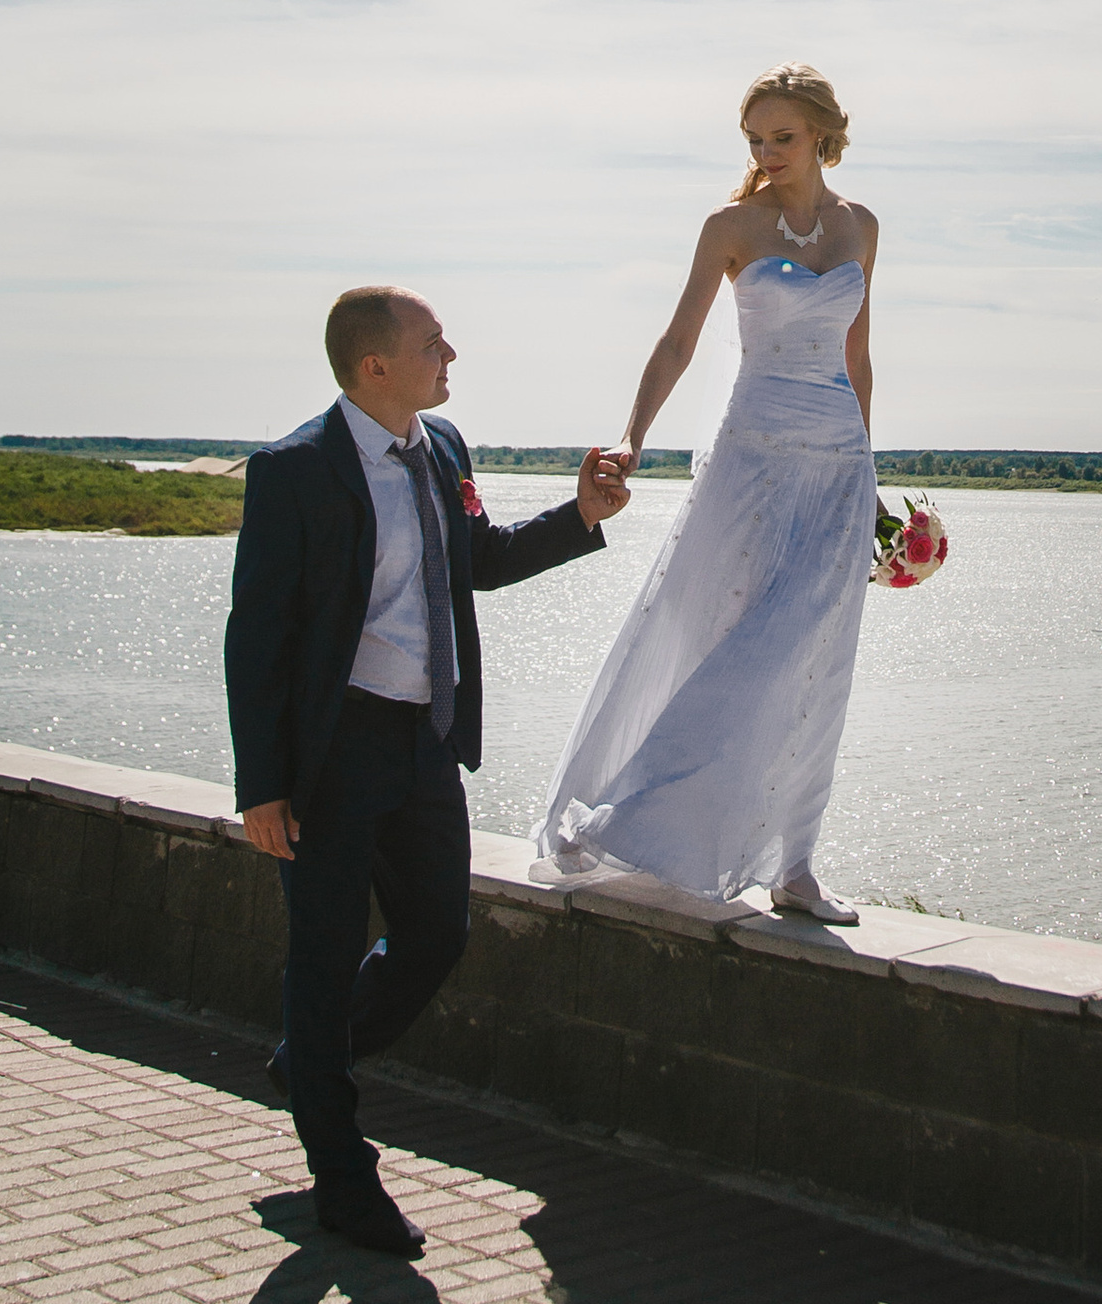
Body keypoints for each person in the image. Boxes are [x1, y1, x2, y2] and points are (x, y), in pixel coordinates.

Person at [224, 286, 629, 1259]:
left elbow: (477, 559)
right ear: (375, 366)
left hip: (424, 741)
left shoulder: (442, 447)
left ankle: (309, 1063)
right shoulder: (293, 470)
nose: (451, 356)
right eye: (433, 343)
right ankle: (343, 1178)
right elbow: (257, 635)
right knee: (323, 958)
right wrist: (261, 785)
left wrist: (579, 514)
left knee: (436, 935)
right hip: (331, 753)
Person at [535, 64, 877, 923]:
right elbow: (678, 339)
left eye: (783, 138)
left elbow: (858, 356)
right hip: (752, 460)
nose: (766, 153)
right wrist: (632, 436)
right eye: (754, 140)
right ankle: (629, 816)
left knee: (818, 659)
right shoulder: (729, 227)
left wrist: (868, 473)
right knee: (739, 648)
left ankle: (795, 864)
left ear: (824, 134)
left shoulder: (862, 226)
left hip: (839, 465)